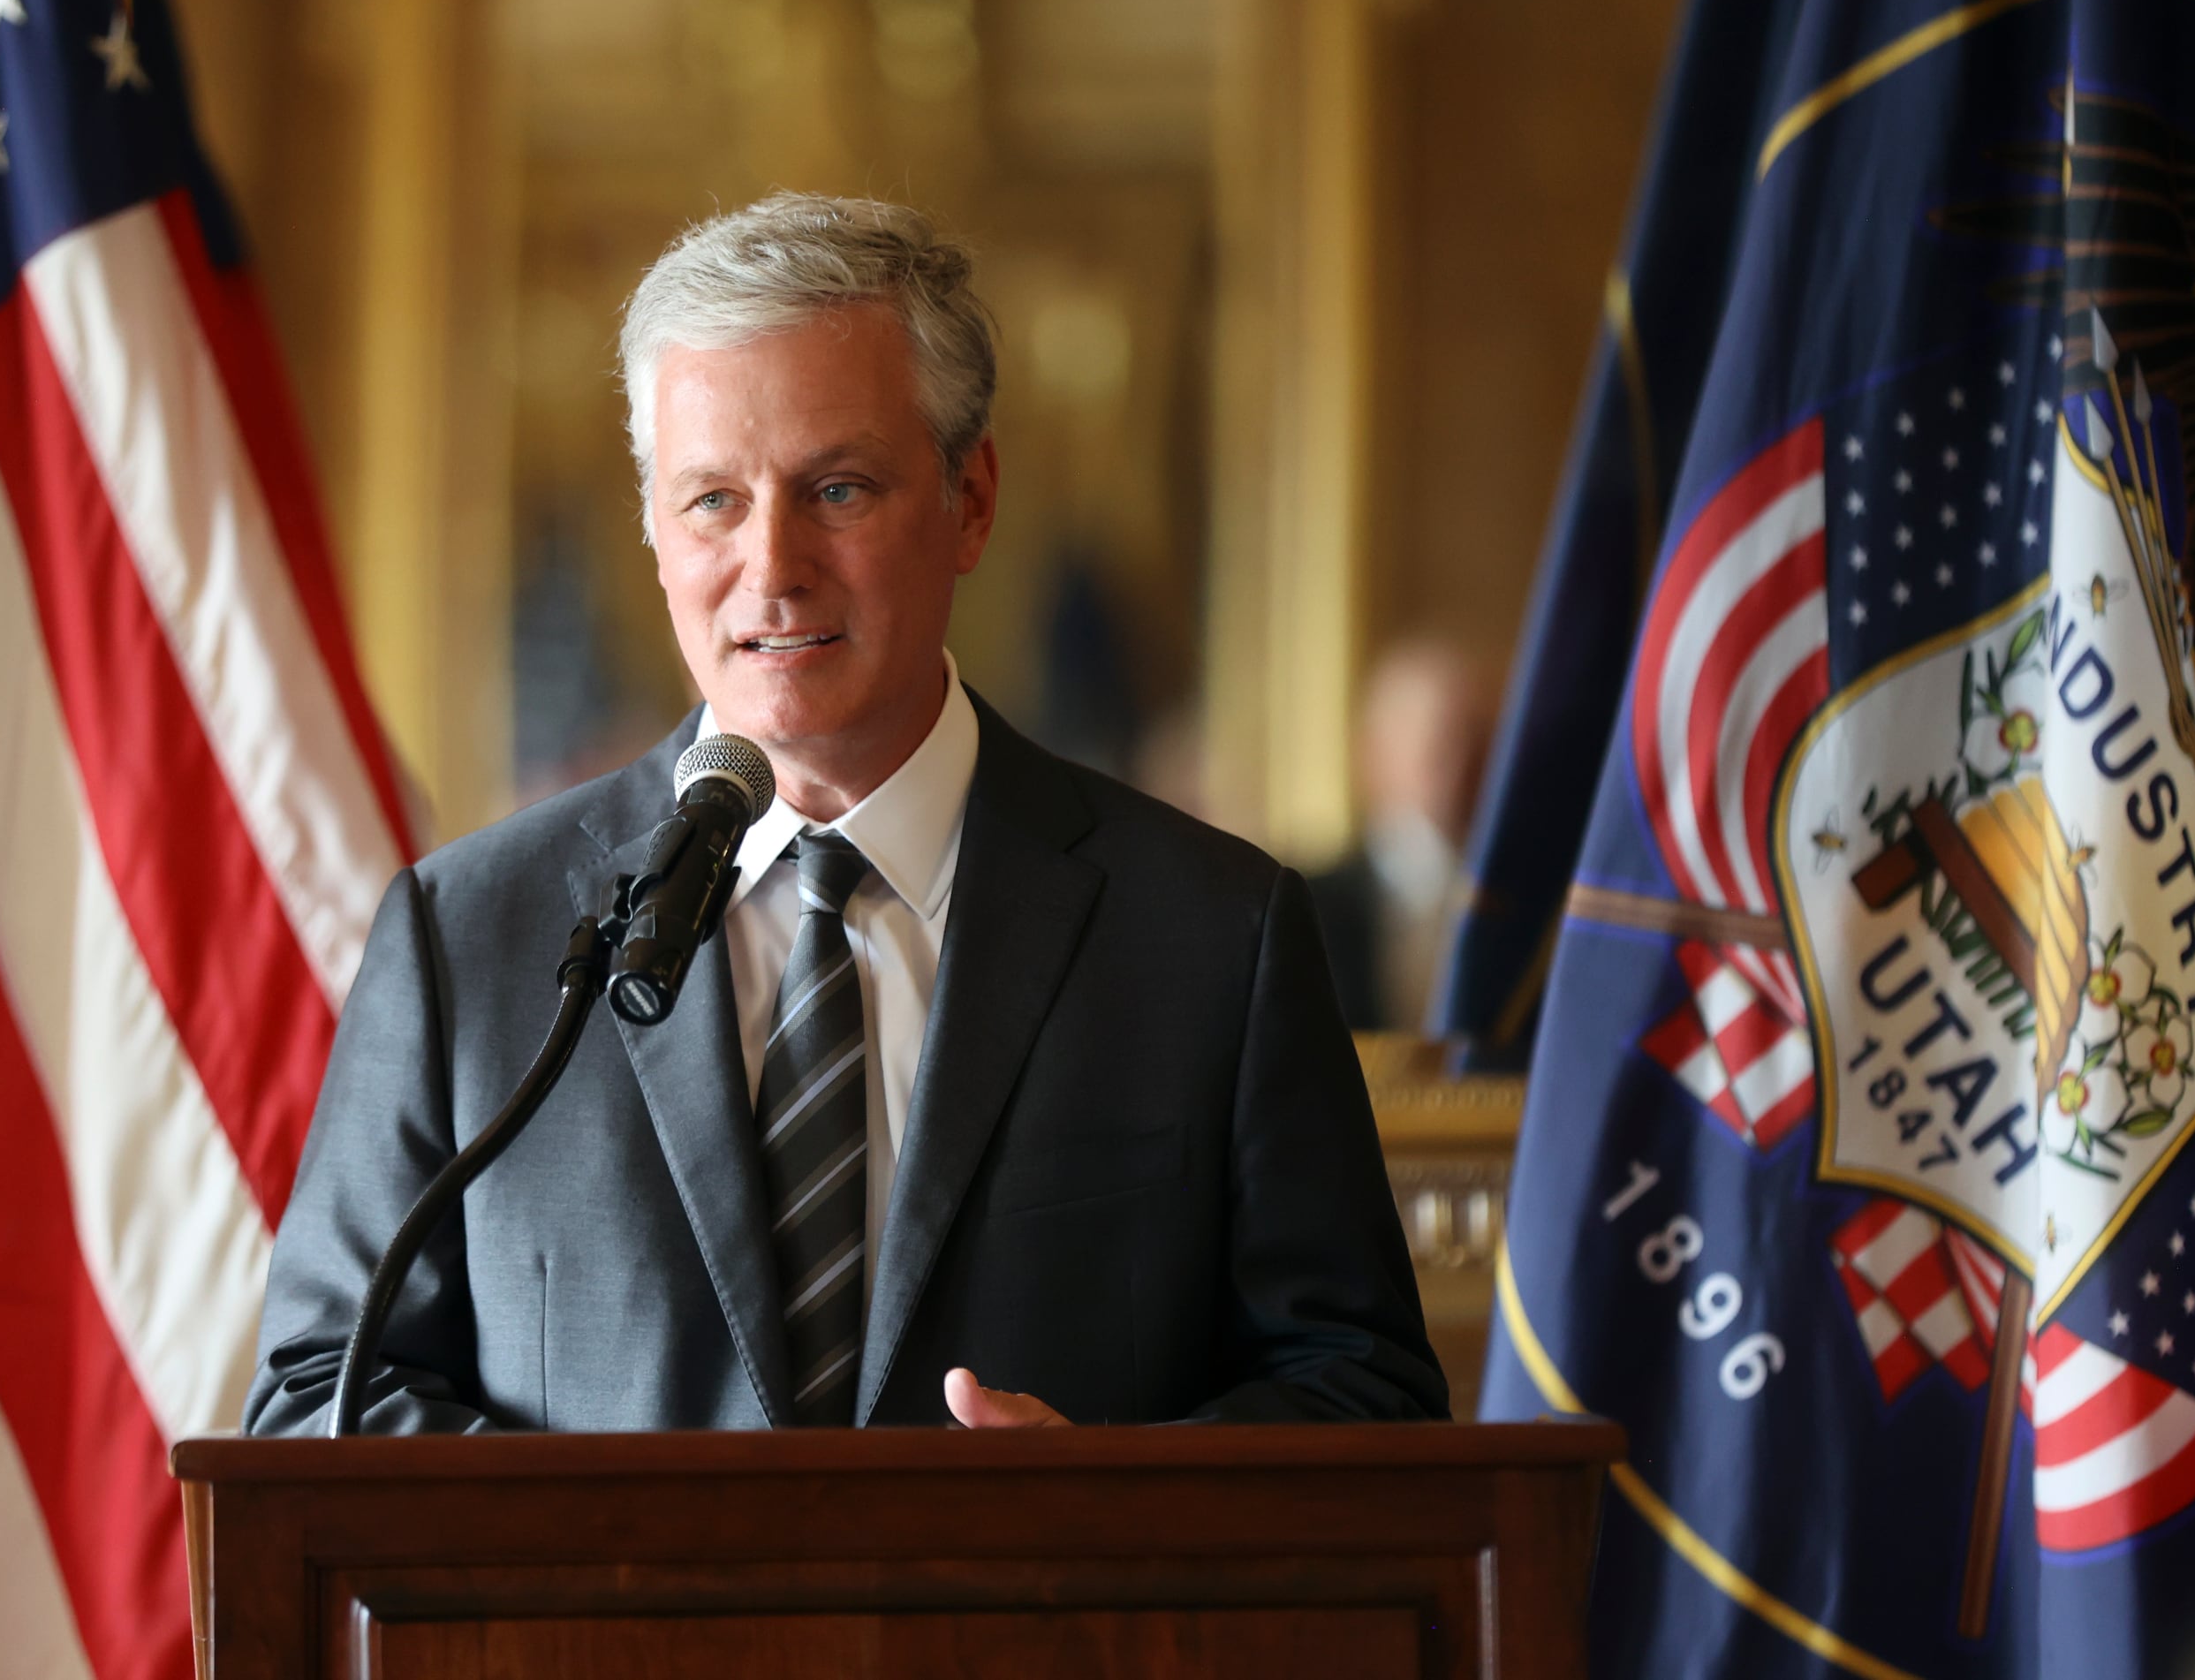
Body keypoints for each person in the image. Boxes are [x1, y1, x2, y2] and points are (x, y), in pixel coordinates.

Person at [246, 193, 1447, 1434]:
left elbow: (1364, 1391)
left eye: (838, 488)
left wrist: (1116, 1510)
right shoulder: (469, 934)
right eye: (713, 499)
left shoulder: (1213, 935)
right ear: (655, 529)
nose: (772, 566)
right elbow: (319, 1394)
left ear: (969, 499)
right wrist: (592, 1564)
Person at [1309, 642, 1492, 1033]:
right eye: (1440, 743)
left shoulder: (1533, 911)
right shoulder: (1304, 905)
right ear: (1373, 753)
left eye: (1477, 741)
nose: (1461, 764)